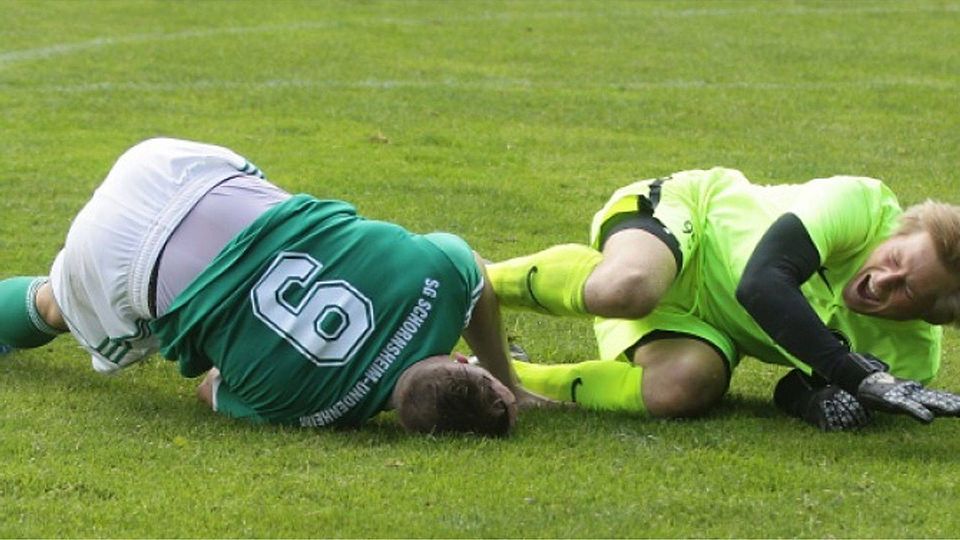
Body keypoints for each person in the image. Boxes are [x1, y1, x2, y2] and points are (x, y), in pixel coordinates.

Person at [0, 137, 546, 436]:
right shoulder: (319, 411)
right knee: (57, 306)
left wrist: (510, 380)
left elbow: (473, 267)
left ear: (462, 364)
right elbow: (210, 389)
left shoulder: (439, 281)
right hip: (117, 257)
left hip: (182, 171)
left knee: (280, 208)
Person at [487, 167, 960, 430]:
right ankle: (472, 277)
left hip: (708, 328)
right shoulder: (862, 202)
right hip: (686, 224)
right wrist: (854, 373)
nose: (883, 280)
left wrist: (826, 404)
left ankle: (501, 374)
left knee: (684, 388)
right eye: (895, 256)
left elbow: (796, 386)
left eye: (908, 289)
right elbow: (763, 283)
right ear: (901, 230)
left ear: (934, 314)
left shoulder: (911, 362)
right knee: (628, 286)